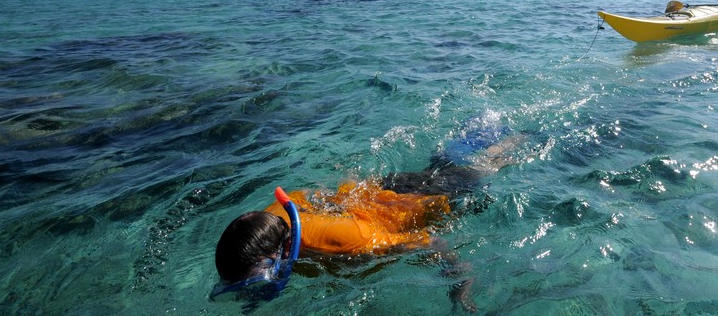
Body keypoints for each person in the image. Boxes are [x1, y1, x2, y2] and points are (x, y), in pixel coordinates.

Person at [212, 119, 528, 310]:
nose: (256, 286)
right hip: (382, 188)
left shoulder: (350, 244)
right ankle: (466, 141)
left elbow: (425, 240)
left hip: (426, 202)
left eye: (255, 281)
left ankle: (522, 137)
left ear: (280, 251)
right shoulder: (273, 216)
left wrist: (462, 279)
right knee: (442, 164)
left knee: (484, 169)